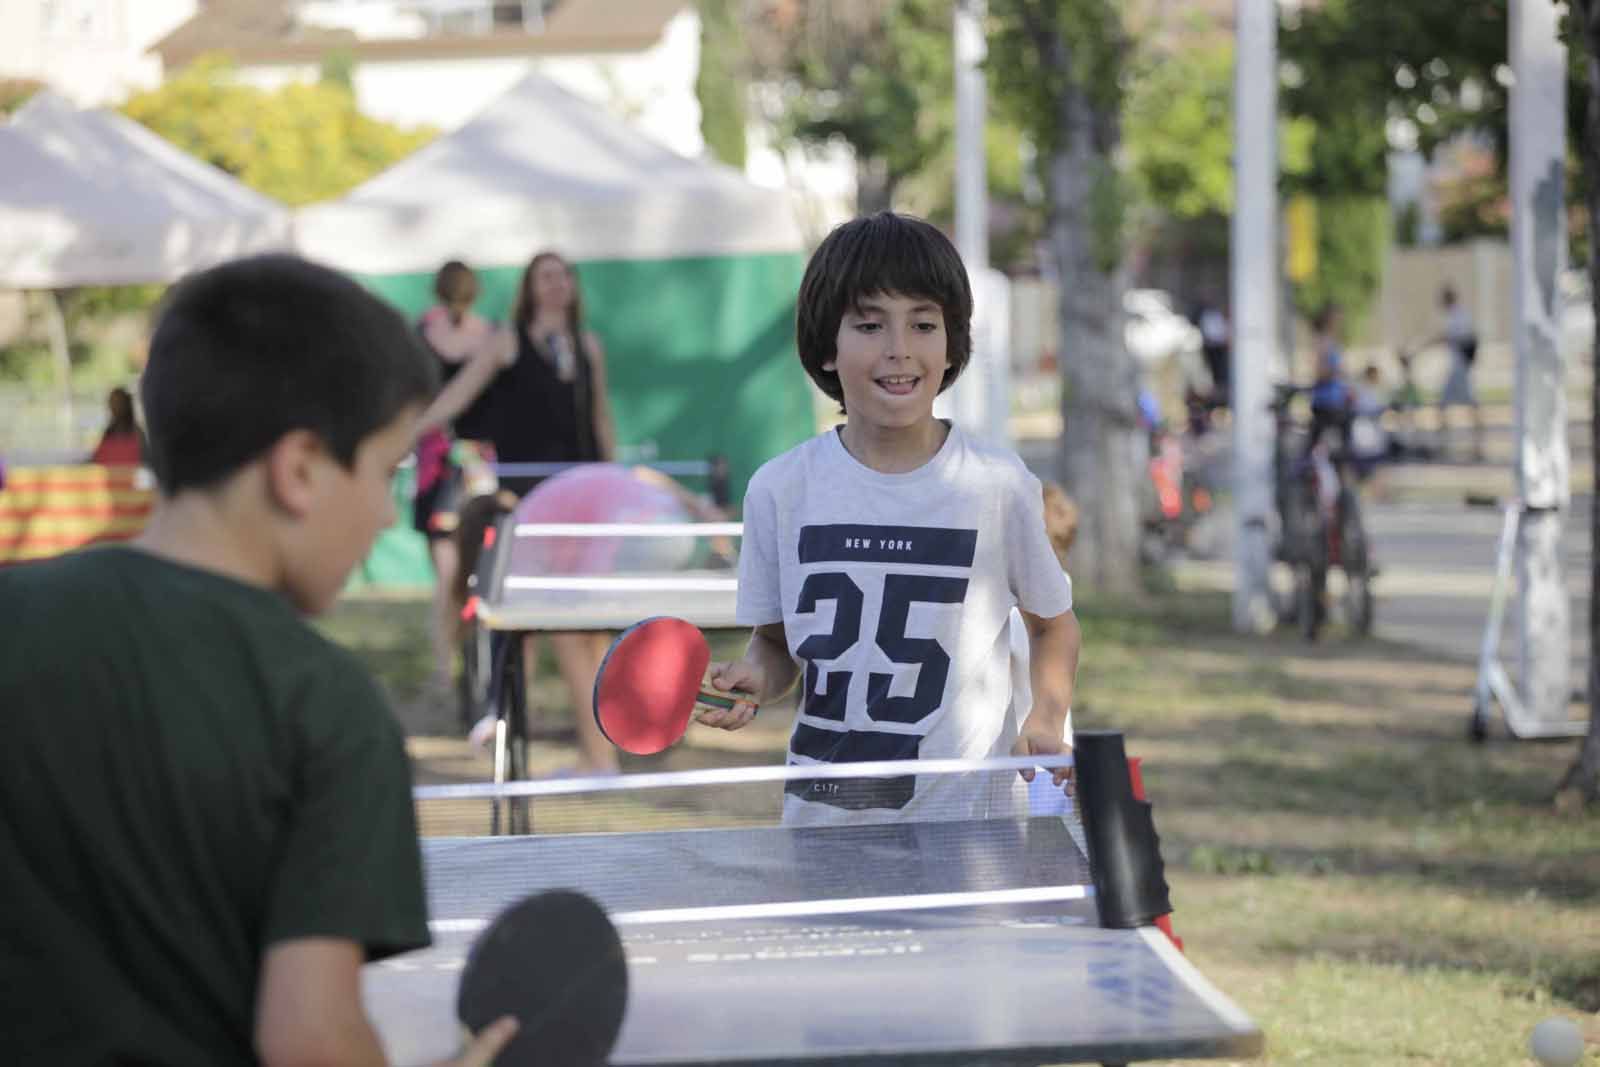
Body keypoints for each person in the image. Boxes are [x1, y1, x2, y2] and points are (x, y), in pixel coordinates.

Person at [0, 254, 515, 1067]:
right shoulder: (327, 708)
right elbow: (312, 1041)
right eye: (385, 472)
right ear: (300, 467)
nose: (386, 514)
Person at [699, 212, 1082, 824]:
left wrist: (1045, 718)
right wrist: (753, 677)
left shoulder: (998, 485)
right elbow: (776, 645)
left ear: (952, 341)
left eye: (923, 324)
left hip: (967, 829)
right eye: (870, 325)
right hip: (821, 823)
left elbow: (1053, 626)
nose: (899, 348)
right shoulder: (778, 489)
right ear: (828, 345)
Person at [420, 251, 621, 772]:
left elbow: (599, 420)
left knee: (587, 630)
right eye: (545, 277)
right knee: (541, 628)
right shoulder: (506, 340)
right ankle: (527, 744)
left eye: (563, 276)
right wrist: (409, 429)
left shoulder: (588, 347)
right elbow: (458, 395)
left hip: (583, 502)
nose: (556, 286)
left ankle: (596, 754)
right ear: (530, 288)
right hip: (529, 504)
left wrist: (613, 482)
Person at [412, 260, 502, 701]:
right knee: (478, 573)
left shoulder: (421, 336)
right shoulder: (492, 336)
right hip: (476, 468)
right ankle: (471, 664)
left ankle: (448, 667)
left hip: (439, 468)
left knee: (448, 575)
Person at [1426, 284, 1483, 460]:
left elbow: (1454, 338)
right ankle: (1446, 445)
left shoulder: (1458, 316)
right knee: (1445, 406)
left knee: (1468, 407)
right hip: (1458, 367)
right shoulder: (1457, 316)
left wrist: (1425, 344)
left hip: (1460, 368)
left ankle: (1477, 446)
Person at [88, 385, 145, 466]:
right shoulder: (108, 434)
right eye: (112, 403)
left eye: (118, 402)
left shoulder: (138, 434)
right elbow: (96, 460)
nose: (115, 407)